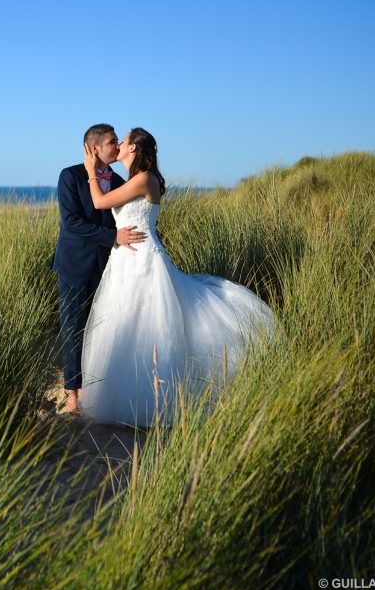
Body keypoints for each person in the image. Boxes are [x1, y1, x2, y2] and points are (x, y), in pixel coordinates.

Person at [79, 127, 274, 426]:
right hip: (125, 261)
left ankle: (152, 401)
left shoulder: (144, 179)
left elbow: (99, 203)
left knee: (150, 323)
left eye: (124, 140)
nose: (119, 145)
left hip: (143, 260)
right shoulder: (134, 179)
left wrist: (92, 171)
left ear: (133, 149)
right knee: (127, 324)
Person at [52, 124, 147, 414]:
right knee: (73, 327)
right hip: (74, 264)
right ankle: (72, 394)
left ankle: (99, 387)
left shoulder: (119, 180)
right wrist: (112, 238)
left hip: (109, 265)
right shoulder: (70, 176)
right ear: (95, 148)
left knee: (103, 327)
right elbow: (72, 222)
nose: (117, 146)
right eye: (111, 142)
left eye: (118, 142)